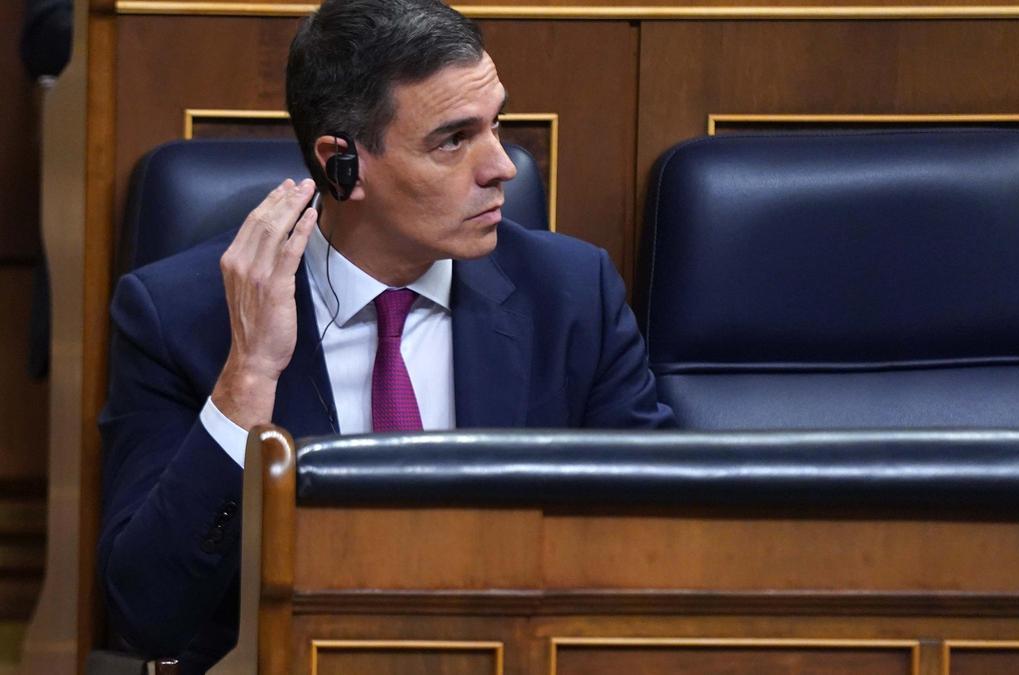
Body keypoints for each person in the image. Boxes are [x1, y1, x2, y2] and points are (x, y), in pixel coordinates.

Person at [97, 0, 674, 670]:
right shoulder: (177, 317)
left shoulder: (573, 296)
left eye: (497, 125)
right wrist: (248, 376)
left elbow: (657, 549)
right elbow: (148, 615)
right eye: (454, 140)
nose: (502, 168)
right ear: (343, 165)